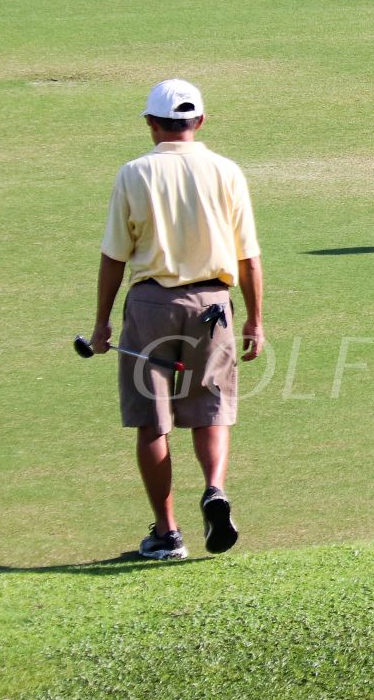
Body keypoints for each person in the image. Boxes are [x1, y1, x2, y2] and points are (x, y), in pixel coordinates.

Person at [89, 79, 263, 561]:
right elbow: (249, 257)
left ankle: (167, 534)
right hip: (214, 307)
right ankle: (214, 488)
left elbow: (114, 257)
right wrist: (255, 321)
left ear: (151, 123)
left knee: (153, 421)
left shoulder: (134, 173)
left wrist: (101, 323)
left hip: (151, 308)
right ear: (200, 121)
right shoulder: (227, 171)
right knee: (210, 409)